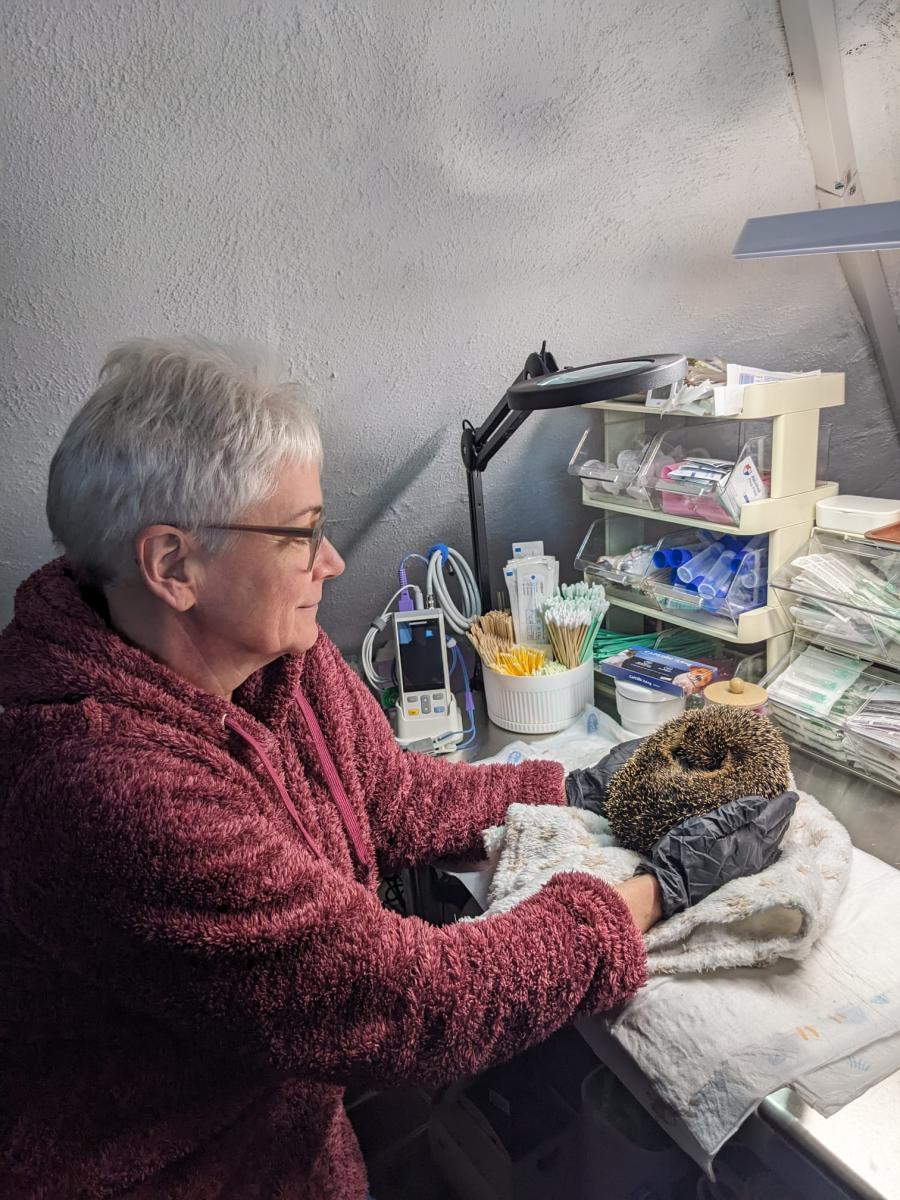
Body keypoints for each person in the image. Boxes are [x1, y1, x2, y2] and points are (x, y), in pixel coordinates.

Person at [0, 339, 794, 1200]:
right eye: (302, 535)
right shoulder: (107, 789)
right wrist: (656, 891)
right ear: (172, 565)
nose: (332, 562)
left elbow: (392, 796)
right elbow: (420, 1003)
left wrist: (575, 788)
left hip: (298, 1128)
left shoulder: (272, 657)